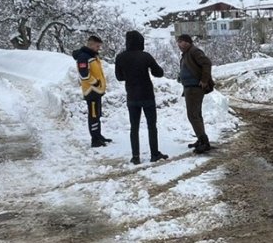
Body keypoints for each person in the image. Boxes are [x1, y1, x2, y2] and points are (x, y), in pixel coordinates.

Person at [114, 30, 168, 164]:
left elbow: (119, 77)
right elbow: (159, 73)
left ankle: (136, 156)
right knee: (151, 126)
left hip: (132, 96)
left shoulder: (120, 57)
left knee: (134, 127)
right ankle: (154, 154)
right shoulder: (145, 56)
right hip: (147, 95)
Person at [175, 34, 214, 153]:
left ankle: (204, 142)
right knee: (196, 115)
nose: (178, 44)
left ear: (187, 42)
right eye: (178, 42)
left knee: (193, 115)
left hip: (194, 88)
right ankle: (201, 138)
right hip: (189, 88)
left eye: (180, 42)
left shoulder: (194, 51)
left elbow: (206, 63)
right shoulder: (187, 53)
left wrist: (204, 80)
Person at [73, 35, 111, 148]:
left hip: (97, 91)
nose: (99, 48)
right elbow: (83, 74)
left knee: (97, 114)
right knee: (93, 115)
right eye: (97, 46)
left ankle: (98, 135)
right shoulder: (83, 57)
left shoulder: (92, 56)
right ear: (91, 44)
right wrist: (94, 82)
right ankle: (95, 139)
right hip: (91, 91)